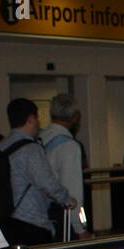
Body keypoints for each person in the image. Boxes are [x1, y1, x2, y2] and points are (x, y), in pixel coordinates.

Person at [0, 99, 74, 245]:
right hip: (31, 222)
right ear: (31, 119)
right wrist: (67, 199)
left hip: (6, 221)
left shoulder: (1, 146)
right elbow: (47, 182)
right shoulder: (31, 149)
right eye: (37, 118)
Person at [39, 94, 87, 238]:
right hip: (61, 216)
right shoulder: (69, 146)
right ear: (75, 117)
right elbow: (73, 190)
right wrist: (80, 228)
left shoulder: (40, 137)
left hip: (39, 211)